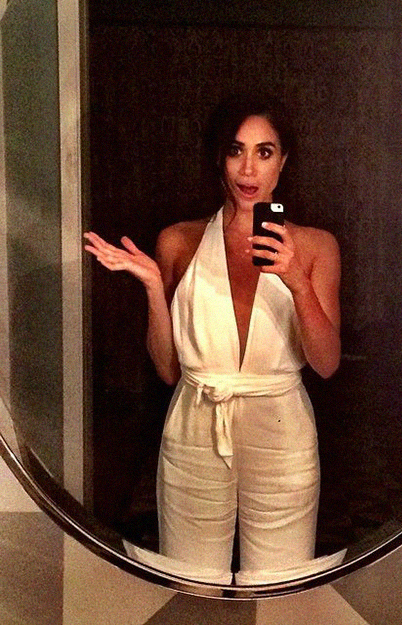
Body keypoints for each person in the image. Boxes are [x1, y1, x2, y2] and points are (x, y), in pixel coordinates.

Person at [84, 94, 341, 583]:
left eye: (264, 152)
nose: (248, 169)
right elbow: (168, 371)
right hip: (195, 428)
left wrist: (298, 283)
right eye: (235, 150)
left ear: (284, 161)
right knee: (189, 584)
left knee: (280, 588)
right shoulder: (177, 241)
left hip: (281, 432)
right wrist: (154, 288)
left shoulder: (315, 246)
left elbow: (327, 364)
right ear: (218, 158)